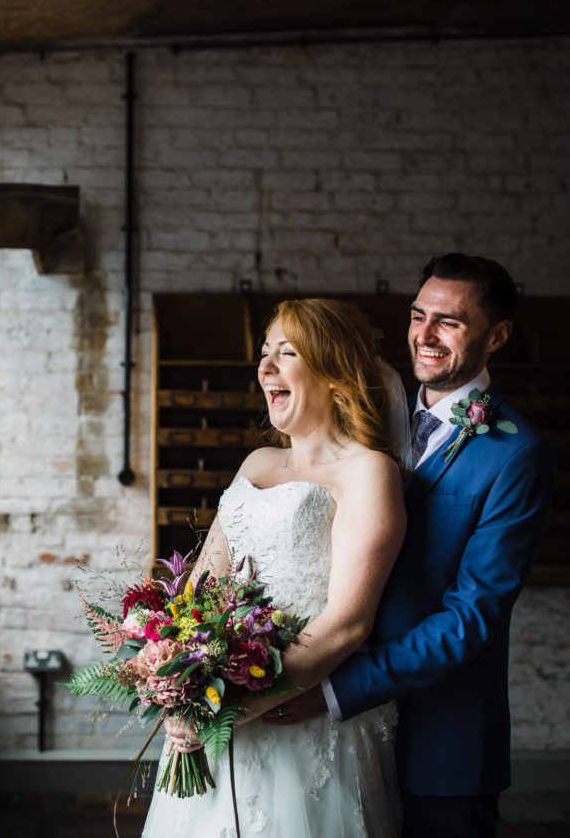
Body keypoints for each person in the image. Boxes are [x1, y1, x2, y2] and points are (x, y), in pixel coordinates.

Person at [266, 254, 556, 838]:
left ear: (496, 336)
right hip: (332, 736)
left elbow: (473, 617)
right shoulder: (367, 419)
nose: (424, 336)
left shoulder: (517, 454)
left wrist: (333, 692)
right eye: (417, 315)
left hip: (438, 740)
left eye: (449, 322)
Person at [141, 297, 409, 838]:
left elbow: (349, 623)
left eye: (287, 354)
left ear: (335, 374)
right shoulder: (256, 463)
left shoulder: (369, 473)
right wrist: (174, 671)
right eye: (264, 353)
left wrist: (234, 709)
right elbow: (201, 590)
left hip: (298, 717)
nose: (265, 368)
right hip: (217, 714)